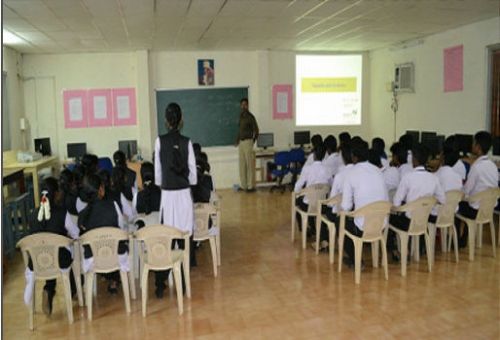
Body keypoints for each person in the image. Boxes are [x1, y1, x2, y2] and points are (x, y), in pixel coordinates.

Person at [154, 102, 197, 298]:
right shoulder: (187, 142)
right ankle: (185, 280)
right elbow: (194, 177)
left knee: (167, 238)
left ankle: (163, 280)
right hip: (184, 196)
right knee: (185, 238)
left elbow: (157, 176)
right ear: (181, 121)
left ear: (166, 121)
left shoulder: (159, 141)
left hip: (168, 196)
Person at [25, 177, 75, 315]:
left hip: (37, 262)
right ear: (57, 194)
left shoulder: (32, 215)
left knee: (47, 254)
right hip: (59, 261)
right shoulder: (62, 213)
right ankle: (73, 291)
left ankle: (49, 288)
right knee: (67, 253)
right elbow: (75, 235)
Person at [388, 143, 446, 261]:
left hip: (408, 222)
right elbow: (442, 199)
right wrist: (427, 203)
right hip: (424, 221)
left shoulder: (408, 177)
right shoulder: (434, 178)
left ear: (414, 159)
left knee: (389, 218)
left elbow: (396, 202)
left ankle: (396, 251)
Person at [340, 139, 389, 267]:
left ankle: (355, 260)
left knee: (341, 221)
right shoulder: (379, 171)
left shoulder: (351, 174)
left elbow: (346, 206)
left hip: (362, 227)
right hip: (381, 225)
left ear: (353, 157)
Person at [78, 174, 127, 294]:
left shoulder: (82, 215)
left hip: (93, 259)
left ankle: (109, 278)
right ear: (101, 189)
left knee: (103, 249)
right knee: (117, 245)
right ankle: (114, 279)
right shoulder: (113, 205)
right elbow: (122, 227)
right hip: (116, 256)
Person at [455, 131, 498, 246]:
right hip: (488, 210)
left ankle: (459, 239)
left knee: (456, 205)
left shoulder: (476, 168)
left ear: (478, 147)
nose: (471, 145)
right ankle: (464, 237)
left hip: (475, 211)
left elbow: (466, 191)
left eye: (473, 143)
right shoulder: (493, 166)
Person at [294, 144, 330, 234]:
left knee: (297, 201)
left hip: (308, 205)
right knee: (316, 202)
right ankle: (319, 231)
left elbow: (298, 186)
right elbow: (330, 186)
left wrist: (298, 193)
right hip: (322, 205)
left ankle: (304, 229)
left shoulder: (307, 169)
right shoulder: (327, 169)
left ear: (313, 155)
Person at [429, 147, 463, 222]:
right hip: (451, 212)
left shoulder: (434, 176)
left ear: (442, 159)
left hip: (436, 214)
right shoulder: (458, 177)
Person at [235, 98, 259, 192]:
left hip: (248, 142)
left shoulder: (250, 117)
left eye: (245, 104)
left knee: (249, 165)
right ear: (241, 106)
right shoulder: (241, 116)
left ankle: (250, 187)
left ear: (248, 105)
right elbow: (240, 130)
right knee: (242, 165)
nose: (243, 106)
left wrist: (252, 141)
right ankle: (244, 185)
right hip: (241, 143)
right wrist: (237, 140)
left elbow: (256, 130)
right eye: (242, 105)